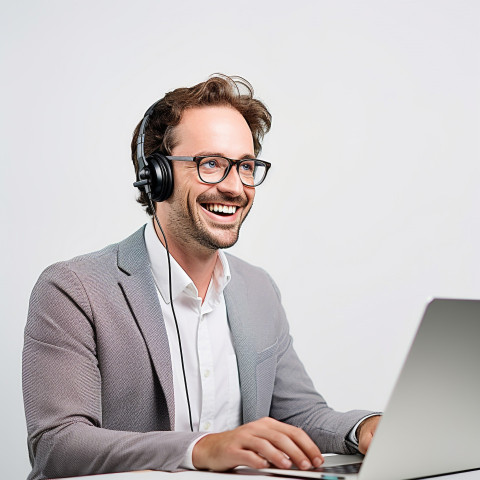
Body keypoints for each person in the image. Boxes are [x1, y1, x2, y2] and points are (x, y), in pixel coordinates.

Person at [23, 74, 380, 480]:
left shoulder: (258, 289)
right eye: (211, 164)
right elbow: (58, 445)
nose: (235, 187)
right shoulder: (73, 290)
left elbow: (300, 415)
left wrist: (363, 428)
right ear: (156, 175)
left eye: (245, 166)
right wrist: (202, 448)